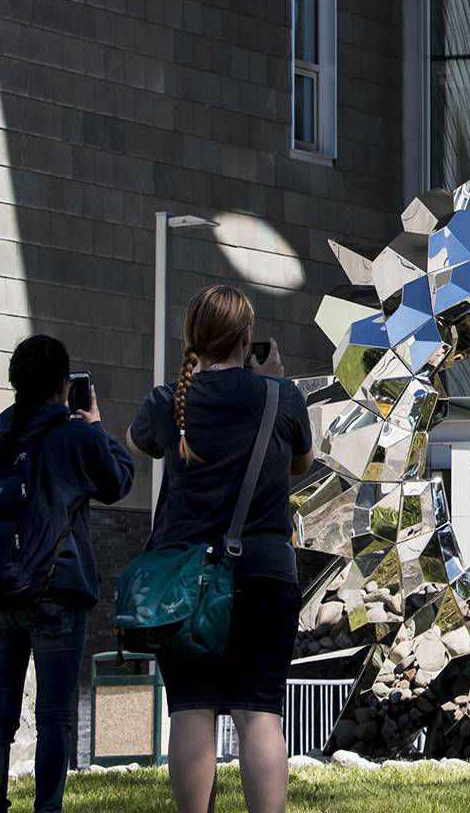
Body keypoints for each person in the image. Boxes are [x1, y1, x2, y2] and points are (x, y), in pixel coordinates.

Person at [128, 285, 313, 813]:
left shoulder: (170, 402)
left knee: (191, 708)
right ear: (248, 336)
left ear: (192, 338)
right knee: (259, 713)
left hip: (184, 579)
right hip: (265, 573)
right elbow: (300, 465)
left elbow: (133, 442)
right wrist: (274, 379)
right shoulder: (281, 397)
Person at [0, 334, 134, 813]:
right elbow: (119, 479)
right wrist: (97, 425)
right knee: (55, 717)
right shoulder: (73, 434)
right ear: (64, 385)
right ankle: (47, 809)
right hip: (56, 590)